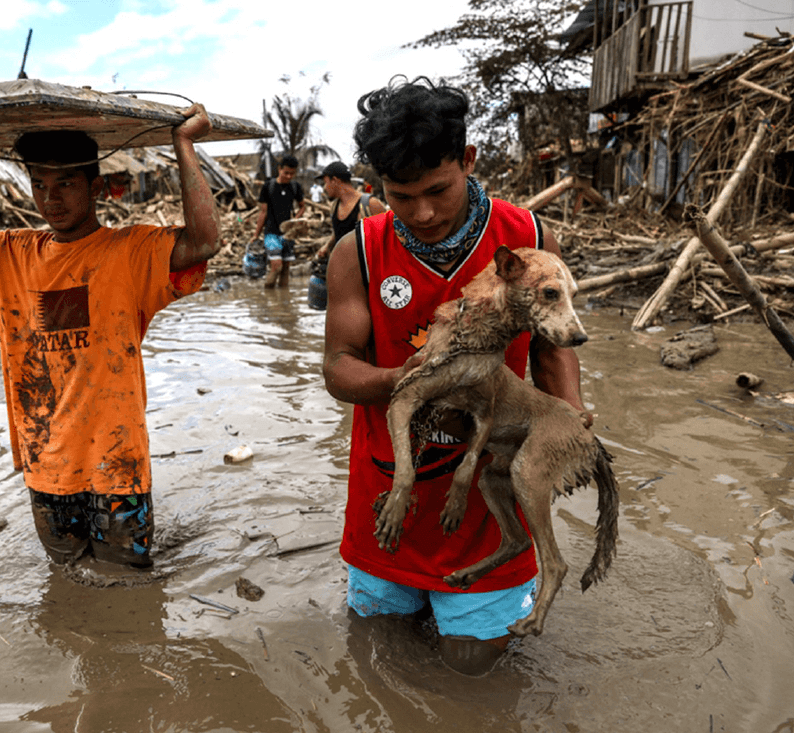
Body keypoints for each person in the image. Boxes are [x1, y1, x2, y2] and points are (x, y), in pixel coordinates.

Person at [321, 77, 588, 676]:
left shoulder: (528, 239)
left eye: (438, 190)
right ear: (378, 187)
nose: (422, 212)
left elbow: (553, 350)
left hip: (486, 490)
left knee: (472, 668)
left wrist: (570, 418)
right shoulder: (357, 252)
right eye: (400, 195)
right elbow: (338, 368)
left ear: (468, 161)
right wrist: (410, 380)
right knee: (380, 655)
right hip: (390, 487)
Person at [0, 104, 221, 569]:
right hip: (46, 463)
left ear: (96, 187)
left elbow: (203, 241)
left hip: (118, 464)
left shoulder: (130, 251)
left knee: (129, 585)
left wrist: (183, 144)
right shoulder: (11, 254)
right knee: (67, 579)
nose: (50, 198)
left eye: (65, 184)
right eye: (39, 184)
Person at [313, 161, 386, 262]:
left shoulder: (370, 205)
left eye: (325, 182)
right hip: (343, 270)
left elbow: (388, 240)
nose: (324, 188)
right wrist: (327, 246)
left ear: (334, 180)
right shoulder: (335, 206)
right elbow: (339, 232)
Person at [252, 153, 305, 289]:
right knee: (277, 266)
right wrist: (256, 235)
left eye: (292, 174)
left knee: (286, 268)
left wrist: (295, 220)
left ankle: (283, 302)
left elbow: (302, 206)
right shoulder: (268, 187)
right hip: (271, 233)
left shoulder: (295, 187)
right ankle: (268, 295)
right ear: (280, 169)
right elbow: (262, 212)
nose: (288, 176)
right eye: (286, 173)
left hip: (288, 234)